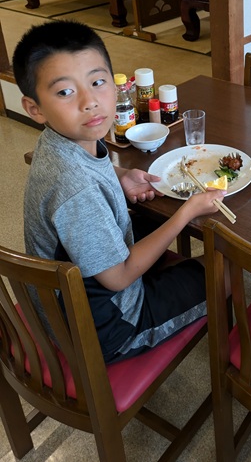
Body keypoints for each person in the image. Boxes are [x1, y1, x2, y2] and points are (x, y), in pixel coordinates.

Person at [12, 20, 226, 363]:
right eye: (65, 92)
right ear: (35, 108)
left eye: (98, 82)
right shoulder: (75, 189)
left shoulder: (60, 141)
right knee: (225, 272)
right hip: (107, 328)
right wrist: (188, 213)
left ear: (116, 85)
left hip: (74, 297)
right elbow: (119, 277)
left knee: (159, 219)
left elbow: (84, 174)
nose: (90, 102)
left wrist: (121, 174)